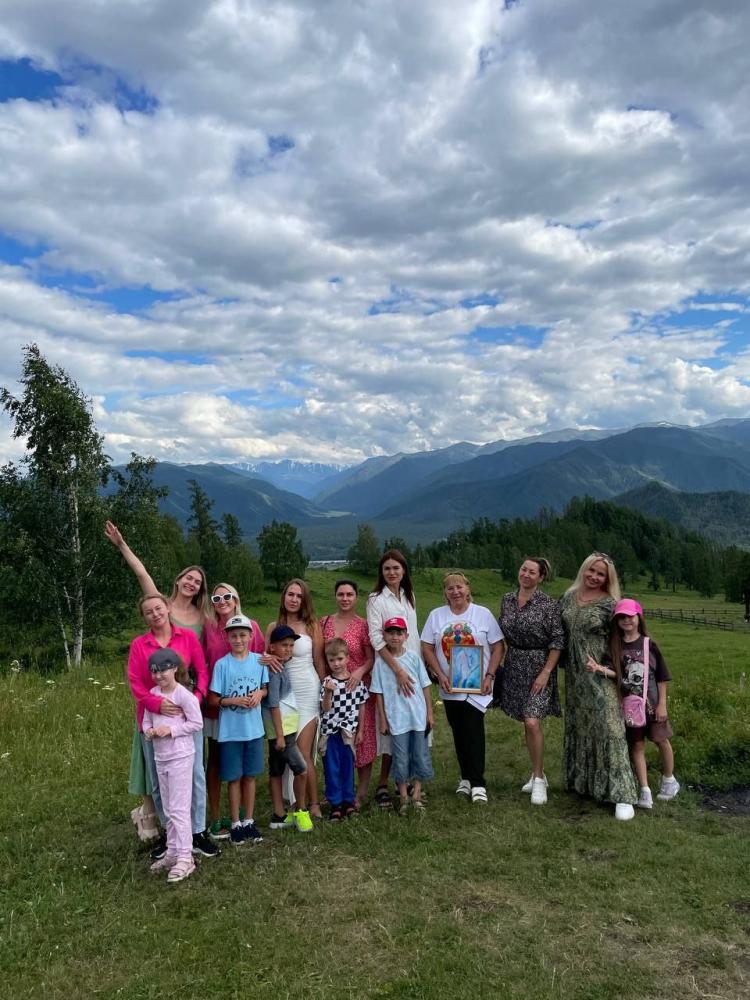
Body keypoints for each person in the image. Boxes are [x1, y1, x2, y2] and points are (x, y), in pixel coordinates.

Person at [127, 593, 218, 859]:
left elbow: (202, 671)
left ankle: (197, 831)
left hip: (186, 719)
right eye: (149, 612)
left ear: (167, 608)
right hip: (154, 720)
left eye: (158, 608)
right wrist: (157, 705)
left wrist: (196, 699)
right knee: (159, 778)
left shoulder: (187, 637)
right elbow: (136, 683)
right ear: (144, 617)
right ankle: (171, 833)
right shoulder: (139, 644)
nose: (155, 614)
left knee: (195, 774)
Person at [560, 553, 638, 821]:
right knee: (580, 724)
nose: (594, 576)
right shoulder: (568, 597)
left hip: (601, 672)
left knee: (609, 726)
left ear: (608, 578)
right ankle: (585, 784)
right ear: (583, 569)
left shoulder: (610, 604)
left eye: (600, 574)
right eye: (591, 570)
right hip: (575, 675)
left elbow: (623, 639)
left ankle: (623, 793)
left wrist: (618, 670)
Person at [420, 573, 504, 804]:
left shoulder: (482, 614)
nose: (455, 592)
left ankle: (478, 783)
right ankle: (465, 777)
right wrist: (439, 673)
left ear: (468, 589)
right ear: (445, 593)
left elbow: (498, 647)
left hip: (477, 686)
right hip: (450, 686)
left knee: (473, 731)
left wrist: (490, 675)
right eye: (450, 588)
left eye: (459, 587)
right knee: (458, 732)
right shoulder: (436, 615)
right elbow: (426, 647)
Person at [497, 558, 565, 806]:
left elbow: (558, 641)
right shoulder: (507, 600)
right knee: (526, 721)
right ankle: (539, 773)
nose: (526, 574)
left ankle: (538, 779)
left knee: (532, 721)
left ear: (541, 577)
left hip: (540, 667)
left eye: (532, 572)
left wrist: (546, 672)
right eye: (523, 569)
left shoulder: (549, 604)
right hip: (515, 664)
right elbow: (500, 634)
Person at [599, 598, 679, 807]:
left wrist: (662, 705)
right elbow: (615, 673)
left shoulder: (649, 644)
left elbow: (662, 676)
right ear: (616, 621)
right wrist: (599, 669)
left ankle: (669, 780)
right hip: (630, 708)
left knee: (661, 740)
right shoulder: (614, 646)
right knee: (637, 744)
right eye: (621, 617)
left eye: (630, 616)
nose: (626, 620)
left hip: (652, 704)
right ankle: (645, 789)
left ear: (639, 618)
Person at [203, 582, 265, 839]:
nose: (222, 601)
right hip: (223, 715)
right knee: (222, 766)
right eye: (216, 598)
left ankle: (244, 818)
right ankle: (222, 818)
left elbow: (262, 668)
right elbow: (212, 691)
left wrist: (260, 692)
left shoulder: (253, 632)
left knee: (247, 771)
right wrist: (229, 700)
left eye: (227, 596)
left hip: (250, 721)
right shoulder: (209, 630)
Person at [265, 579, 326, 818]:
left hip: (308, 688)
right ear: (284, 597)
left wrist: (324, 693)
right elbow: (266, 656)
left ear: (304, 600)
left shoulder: (312, 626)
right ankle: (293, 802)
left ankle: (314, 803)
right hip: (283, 693)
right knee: (287, 747)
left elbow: (319, 661)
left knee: (303, 750)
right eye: (290, 594)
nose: (293, 599)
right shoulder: (274, 627)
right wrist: (267, 659)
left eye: (299, 596)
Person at [142, 648, 203, 884]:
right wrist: (149, 731)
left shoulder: (184, 696)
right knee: (168, 808)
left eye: (163, 671)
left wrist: (172, 730)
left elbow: (196, 723)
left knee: (179, 809)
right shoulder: (153, 695)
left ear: (175, 669)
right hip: (161, 758)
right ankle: (172, 851)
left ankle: (186, 857)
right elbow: (147, 720)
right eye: (154, 672)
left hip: (181, 757)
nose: (158, 676)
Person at [366, 549, 419, 808]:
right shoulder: (376, 599)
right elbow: (376, 638)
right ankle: (382, 784)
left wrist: (416, 667)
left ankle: (404, 781)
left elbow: (413, 635)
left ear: (404, 570)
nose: (391, 572)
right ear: (381, 571)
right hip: (390, 669)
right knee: (391, 727)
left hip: (411, 666)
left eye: (396, 568)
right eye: (387, 568)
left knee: (411, 722)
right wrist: (397, 669)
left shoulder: (409, 596)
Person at [321, 579, 375, 809]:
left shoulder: (363, 625)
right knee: (334, 742)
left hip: (357, 689)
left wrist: (359, 672)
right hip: (333, 690)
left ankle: (359, 793)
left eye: (349, 594)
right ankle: (335, 791)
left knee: (362, 738)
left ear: (356, 597)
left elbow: (371, 657)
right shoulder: (325, 622)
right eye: (341, 594)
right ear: (335, 596)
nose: (345, 598)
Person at [371, 618, 434, 816]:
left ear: (406, 636)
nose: (395, 637)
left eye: (399, 633)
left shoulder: (414, 658)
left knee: (420, 755)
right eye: (390, 633)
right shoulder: (381, 663)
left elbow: (425, 686)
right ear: (384, 636)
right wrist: (383, 719)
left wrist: (429, 713)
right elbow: (378, 693)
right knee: (400, 758)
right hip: (396, 719)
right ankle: (403, 797)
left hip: (417, 717)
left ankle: (417, 794)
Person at [104, 521, 211, 637]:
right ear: (178, 581)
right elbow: (142, 574)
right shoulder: (161, 605)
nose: (191, 583)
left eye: (197, 582)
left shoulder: (204, 616)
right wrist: (121, 544)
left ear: (199, 590)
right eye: (189, 578)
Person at [262, 625, 313, 833]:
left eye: (291, 645)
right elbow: (273, 704)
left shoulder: (281, 666)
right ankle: (300, 810)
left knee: (276, 770)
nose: (288, 649)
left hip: (283, 729)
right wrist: (280, 736)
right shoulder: (275, 671)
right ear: (272, 647)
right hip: (281, 732)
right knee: (301, 769)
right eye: (284, 645)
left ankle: (279, 814)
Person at [319, 638, 369, 820]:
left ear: (347, 658)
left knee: (348, 767)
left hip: (348, 732)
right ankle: (335, 803)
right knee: (332, 768)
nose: (336, 663)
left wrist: (361, 730)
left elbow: (362, 706)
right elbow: (325, 708)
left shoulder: (356, 683)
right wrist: (328, 692)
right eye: (332, 660)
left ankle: (348, 801)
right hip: (330, 732)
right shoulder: (327, 682)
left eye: (340, 659)